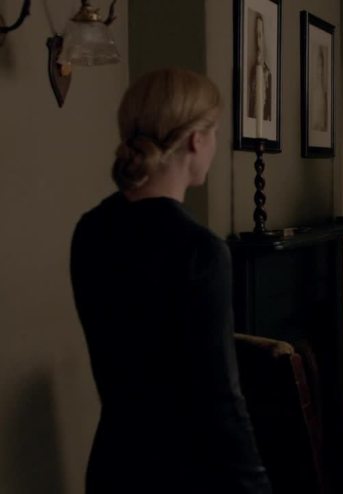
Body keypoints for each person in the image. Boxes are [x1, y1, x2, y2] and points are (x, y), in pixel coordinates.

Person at [70, 68, 272, 494]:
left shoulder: (90, 230)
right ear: (197, 140)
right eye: (214, 133)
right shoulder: (200, 250)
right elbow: (221, 399)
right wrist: (255, 485)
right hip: (187, 476)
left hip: (113, 467)